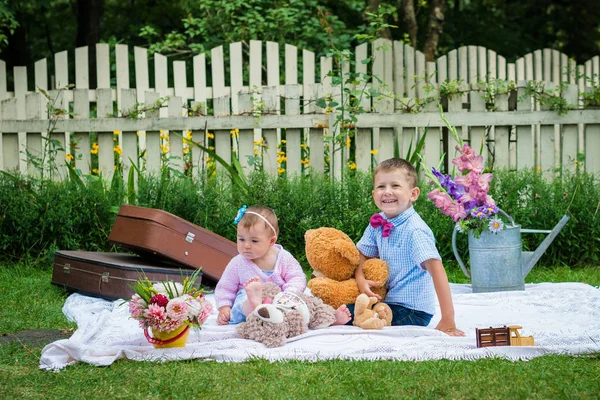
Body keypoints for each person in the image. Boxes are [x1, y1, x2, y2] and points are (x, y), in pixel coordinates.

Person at [352, 158, 465, 336]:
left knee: (353, 313)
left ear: (413, 194)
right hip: (388, 301)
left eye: (395, 186)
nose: (387, 192)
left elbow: (437, 270)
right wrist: (360, 279)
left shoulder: (415, 231)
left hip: (412, 310)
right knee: (344, 305)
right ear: (374, 194)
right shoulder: (378, 222)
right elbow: (361, 254)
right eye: (381, 187)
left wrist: (448, 319)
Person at [216, 205, 351, 326]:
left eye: (254, 241)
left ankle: (331, 319)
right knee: (242, 304)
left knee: (306, 307)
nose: (246, 245)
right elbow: (225, 287)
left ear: (271, 241)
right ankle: (256, 306)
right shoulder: (238, 263)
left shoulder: (283, 258)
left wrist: (289, 292)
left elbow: (297, 276)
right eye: (241, 239)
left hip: (281, 300)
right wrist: (224, 307)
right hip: (250, 299)